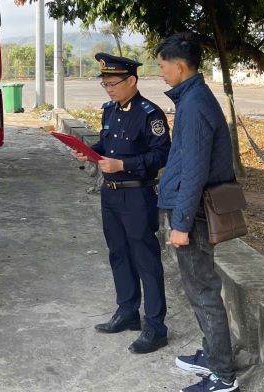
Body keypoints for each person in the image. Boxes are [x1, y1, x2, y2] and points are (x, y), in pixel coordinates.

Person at [155, 33, 239, 392]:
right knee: (198, 289)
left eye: (161, 66)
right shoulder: (193, 99)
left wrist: (182, 223)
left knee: (203, 291)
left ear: (179, 66)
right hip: (192, 210)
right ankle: (212, 353)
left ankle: (223, 375)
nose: (159, 72)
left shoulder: (193, 106)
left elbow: (194, 169)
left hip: (195, 215)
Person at [76, 53, 171, 354]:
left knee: (145, 259)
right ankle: (127, 311)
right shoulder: (109, 111)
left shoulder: (150, 114)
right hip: (111, 194)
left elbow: (161, 155)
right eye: (104, 84)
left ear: (132, 80)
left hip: (137, 195)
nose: (109, 89)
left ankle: (155, 327)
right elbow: (107, 145)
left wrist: (123, 165)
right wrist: (88, 151)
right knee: (118, 254)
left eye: (113, 83)